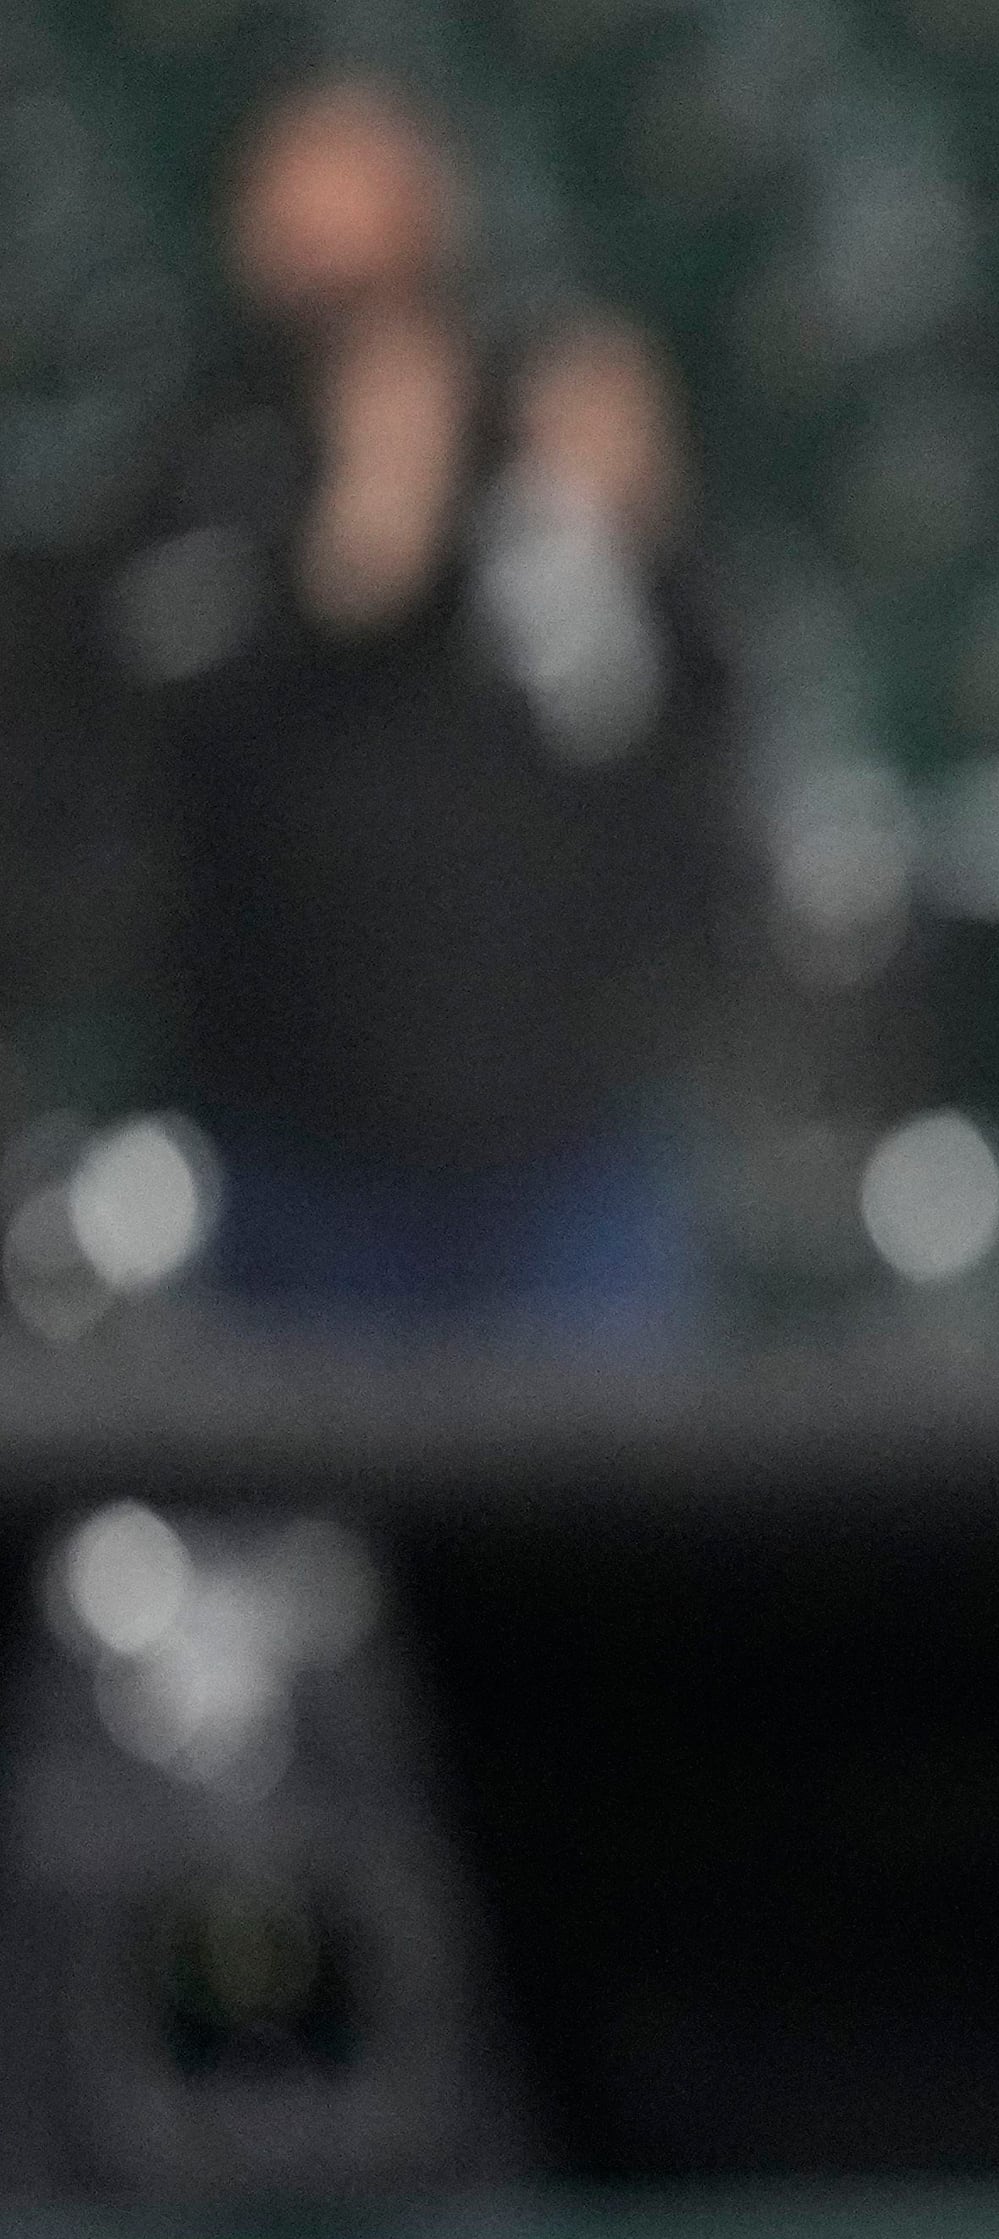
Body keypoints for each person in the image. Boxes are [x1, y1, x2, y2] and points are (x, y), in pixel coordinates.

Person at [113, 76, 734, 1329]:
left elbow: (665, 720)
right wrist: (349, 564)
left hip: (561, 1127)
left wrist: (618, 534)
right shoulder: (212, 456)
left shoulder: (543, 443)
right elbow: (157, 735)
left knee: (600, 1509)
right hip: (298, 1131)